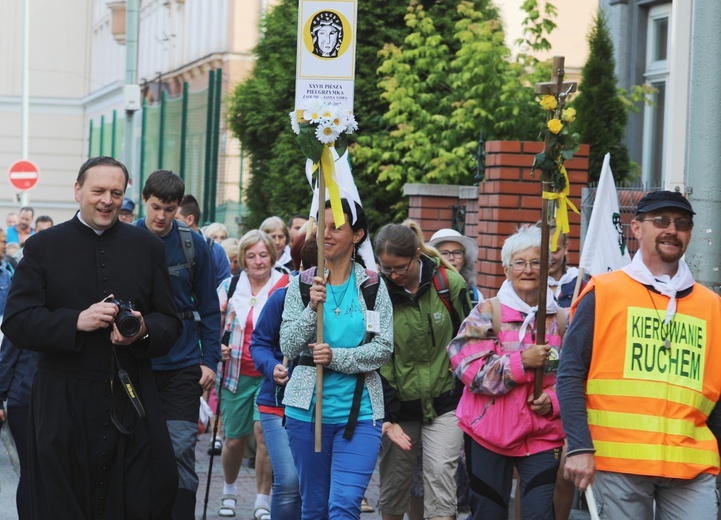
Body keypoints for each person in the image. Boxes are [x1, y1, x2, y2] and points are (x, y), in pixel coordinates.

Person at [0, 156, 182, 519]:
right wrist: (75, 322)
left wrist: (143, 331)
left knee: (139, 495)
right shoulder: (43, 247)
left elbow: (171, 322)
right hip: (61, 398)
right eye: (98, 190)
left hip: (129, 394)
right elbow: (17, 322)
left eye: (115, 192)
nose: (106, 200)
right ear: (78, 190)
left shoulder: (146, 247)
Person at [557, 191, 721, 519]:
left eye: (682, 223)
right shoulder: (604, 292)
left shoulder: (712, 307)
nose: (671, 229)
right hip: (617, 463)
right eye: (660, 220)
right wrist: (578, 447)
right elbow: (570, 373)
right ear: (636, 228)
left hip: (691, 464)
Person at [280, 198, 394, 519]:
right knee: (314, 509)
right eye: (322, 226)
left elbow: (382, 349)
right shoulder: (302, 285)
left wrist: (334, 357)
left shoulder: (373, 286)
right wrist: (310, 309)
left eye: (336, 228)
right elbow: (288, 346)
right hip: (307, 415)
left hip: (360, 416)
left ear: (357, 235)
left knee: (343, 506)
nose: (325, 234)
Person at [446, 224, 566, 520]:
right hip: (489, 434)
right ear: (506, 269)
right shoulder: (488, 312)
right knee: (489, 514)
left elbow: (578, 376)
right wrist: (521, 362)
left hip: (542, 436)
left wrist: (554, 400)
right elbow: (467, 368)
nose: (528, 270)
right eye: (520, 263)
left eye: (536, 262)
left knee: (539, 514)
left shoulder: (561, 319)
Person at [137, 169, 222, 519]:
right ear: (145, 200)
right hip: (135, 364)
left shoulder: (193, 244)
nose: (161, 216)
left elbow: (209, 309)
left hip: (182, 367)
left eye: (169, 209)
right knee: (135, 450)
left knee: (179, 450)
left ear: (179, 208)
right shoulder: (125, 240)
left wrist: (210, 362)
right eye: (156, 207)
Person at [374, 220, 472, 520]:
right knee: (394, 488)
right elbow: (376, 355)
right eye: (386, 268)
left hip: (445, 402)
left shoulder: (449, 285)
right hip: (399, 408)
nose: (394, 275)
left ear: (417, 255)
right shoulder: (377, 293)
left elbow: (469, 342)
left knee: (441, 479)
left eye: (400, 268)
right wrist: (388, 413)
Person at [216, 229, 284, 519]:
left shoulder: (285, 285)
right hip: (235, 374)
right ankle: (229, 490)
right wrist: (216, 347)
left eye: (264, 255)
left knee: (264, 435)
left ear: (273, 255)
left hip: (272, 374)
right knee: (234, 439)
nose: (258, 261)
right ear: (242, 258)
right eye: (252, 255)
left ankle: (261, 499)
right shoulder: (229, 287)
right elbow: (212, 327)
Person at [249, 226, 316, 520]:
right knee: (289, 482)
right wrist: (271, 366)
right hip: (278, 402)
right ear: (299, 266)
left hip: (324, 405)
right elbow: (259, 343)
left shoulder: (349, 302)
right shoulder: (281, 298)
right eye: (309, 267)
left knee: (312, 485)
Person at [0, 336, 37, 519]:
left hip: (55, 401)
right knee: (30, 470)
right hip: (24, 401)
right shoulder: (25, 311)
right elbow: (6, 356)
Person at [176, 194, 231, 286]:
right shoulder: (166, 245)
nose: (170, 222)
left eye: (175, 219)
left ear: (190, 219)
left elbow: (224, 289)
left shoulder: (217, 250)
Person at [428, 228, 483, 305]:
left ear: (464, 260)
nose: (451, 258)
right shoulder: (424, 292)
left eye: (457, 253)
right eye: (444, 253)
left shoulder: (475, 296)